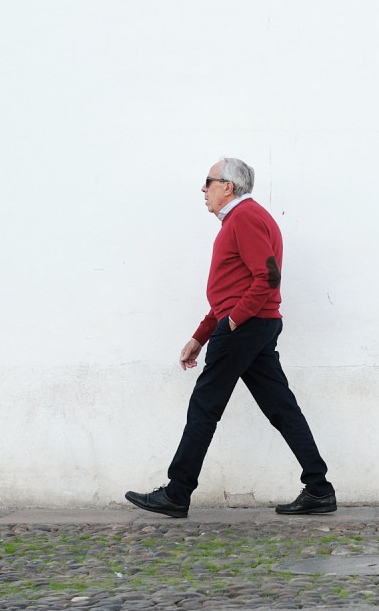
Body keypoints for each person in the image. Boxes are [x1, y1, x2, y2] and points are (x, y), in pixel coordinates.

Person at [126, 158, 337, 518]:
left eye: (208, 182)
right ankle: (319, 488)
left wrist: (233, 323)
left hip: (248, 326)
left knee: (205, 406)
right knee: (281, 408)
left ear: (228, 186)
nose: (203, 190)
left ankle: (177, 493)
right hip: (253, 325)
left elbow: (266, 278)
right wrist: (202, 336)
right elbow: (231, 290)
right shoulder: (243, 219)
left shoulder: (245, 218)